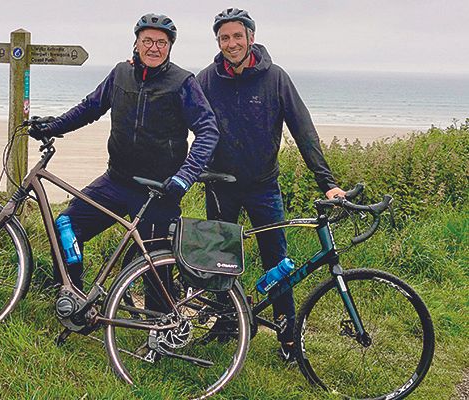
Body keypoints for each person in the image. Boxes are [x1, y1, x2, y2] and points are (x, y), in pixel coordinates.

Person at [28, 13, 219, 291]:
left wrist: (184, 177)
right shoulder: (120, 74)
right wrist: (53, 127)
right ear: (136, 43)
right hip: (115, 181)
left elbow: (208, 130)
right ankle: (70, 294)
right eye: (148, 40)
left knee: (155, 270)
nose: (154, 47)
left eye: (161, 43)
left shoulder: (182, 83)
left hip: (158, 190)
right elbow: (90, 108)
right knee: (66, 224)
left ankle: (161, 327)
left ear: (170, 47)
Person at [196, 8, 345, 362]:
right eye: (224, 38)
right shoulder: (206, 79)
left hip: (264, 186)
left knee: (276, 261)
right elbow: (182, 116)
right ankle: (225, 322)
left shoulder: (275, 78)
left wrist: (328, 184)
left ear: (250, 36)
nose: (231, 44)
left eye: (236, 36)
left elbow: (303, 131)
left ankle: (287, 335)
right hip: (220, 185)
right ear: (218, 42)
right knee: (217, 259)